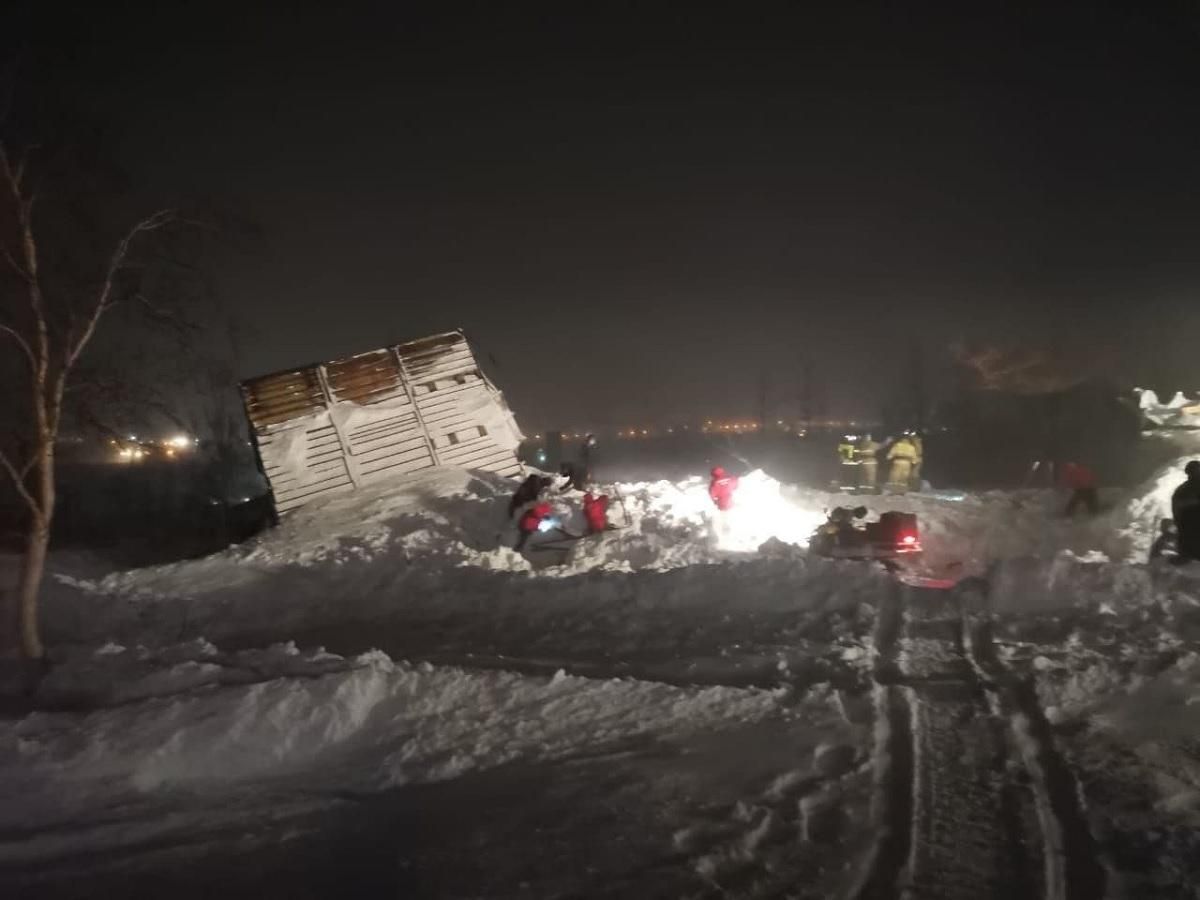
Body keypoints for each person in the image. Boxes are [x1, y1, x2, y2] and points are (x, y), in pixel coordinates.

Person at [1173, 460, 1200, 561]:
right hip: (1189, 527)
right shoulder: (1183, 490)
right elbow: (1177, 506)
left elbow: (1176, 507)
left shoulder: (1182, 489)